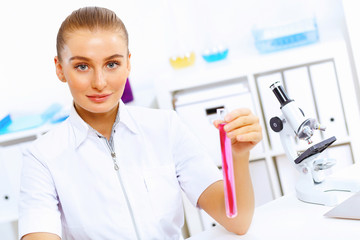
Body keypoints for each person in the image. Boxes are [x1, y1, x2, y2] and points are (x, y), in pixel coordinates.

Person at [19, 6, 262, 240]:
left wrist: (238, 157)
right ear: (60, 69)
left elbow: (237, 221)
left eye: (112, 64)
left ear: (128, 63)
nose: (100, 82)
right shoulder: (42, 158)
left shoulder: (166, 127)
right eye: (82, 66)